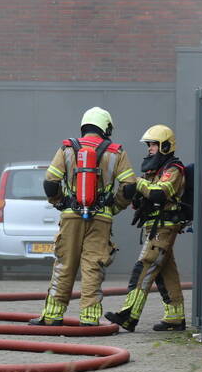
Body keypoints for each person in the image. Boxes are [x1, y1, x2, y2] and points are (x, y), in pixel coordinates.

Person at [29, 107, 136, 327]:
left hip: (70, 217)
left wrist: (60, 202)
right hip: (101, 219)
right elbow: (129, 186)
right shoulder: (116, 152)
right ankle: (89, 318)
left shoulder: (67, 149)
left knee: (64, 264)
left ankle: (52, 316)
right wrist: (114, 206)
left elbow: (50, 182)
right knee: (93, 267)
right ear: (106, 127)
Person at [105, 124, 187, 332]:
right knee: (165, 273)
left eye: (153, 145)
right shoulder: (154, 170)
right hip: (154, 225)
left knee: (144, 267)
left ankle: (129, 315)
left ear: (165, 146)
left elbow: (160, 193)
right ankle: (175, 317)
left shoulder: (173, 170)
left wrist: (137, 182)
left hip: (165, 226)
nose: (149, 148)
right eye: (149, 145)